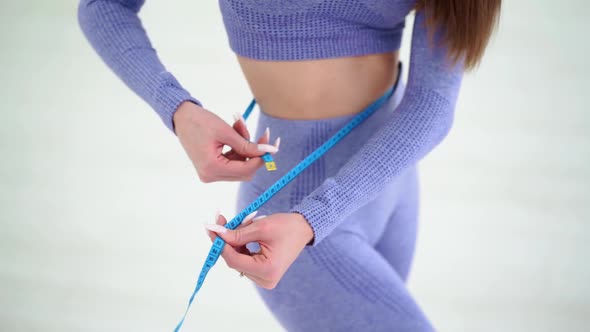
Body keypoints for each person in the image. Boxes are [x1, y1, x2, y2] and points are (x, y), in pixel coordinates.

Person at [78, 0, 501, 330]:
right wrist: (178, 110)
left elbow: (431, 103)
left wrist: (314, 218)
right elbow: (103, 6)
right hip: (297, 221)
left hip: (386, 182)